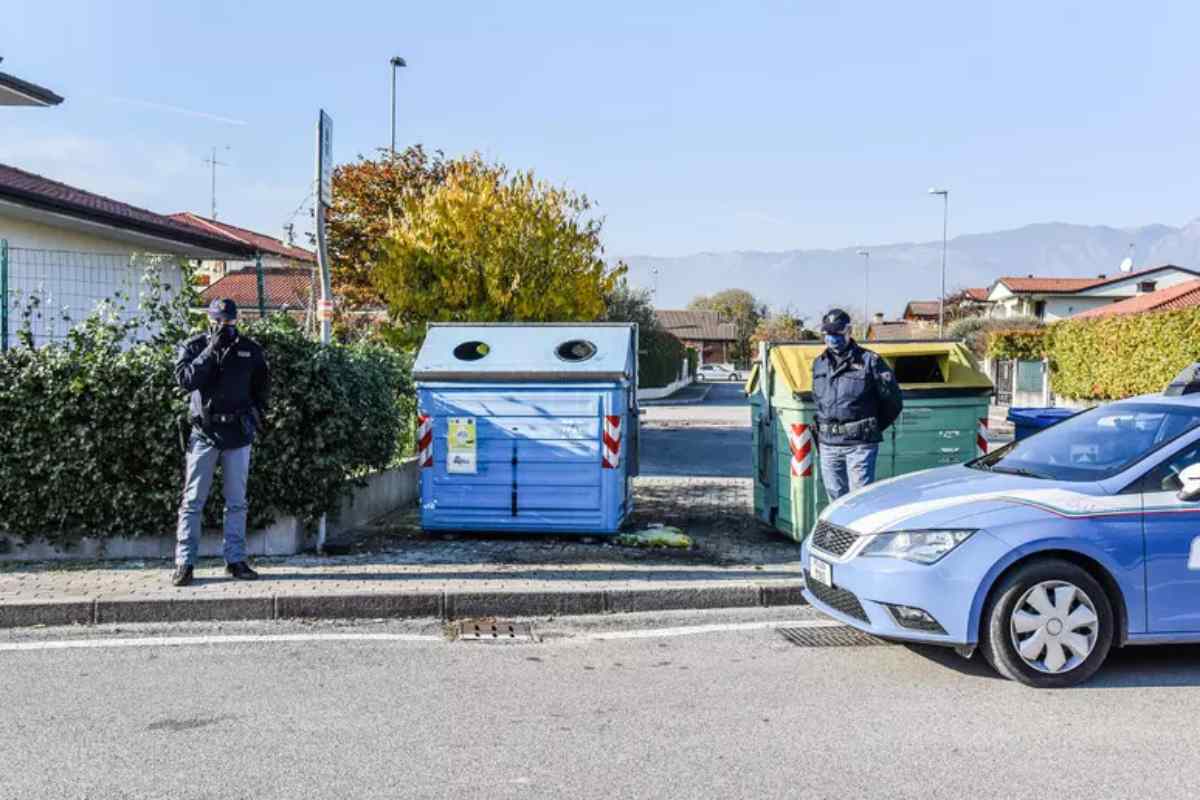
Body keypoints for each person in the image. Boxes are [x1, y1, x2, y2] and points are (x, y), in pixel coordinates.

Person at [171, 298, 271, 587]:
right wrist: (211, 349)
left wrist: (255, 414)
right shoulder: (194, 346)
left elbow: (262, 386)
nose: (223, 326)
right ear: (209, 319)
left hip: (238, 435)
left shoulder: (249, 349)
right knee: (192, 502)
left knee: (237, 502)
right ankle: (185, 563)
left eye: (228, 321)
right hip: (205, 434)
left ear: (236, 319)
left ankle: (235, 561)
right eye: (218, 321)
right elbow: (186, 380)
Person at [811, 308, 903, 501]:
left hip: (860, 445)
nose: (832, 337)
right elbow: (819, 401)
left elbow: (893, 402)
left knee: (859, 500)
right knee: (835, 500)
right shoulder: (819, 364)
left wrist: (869, 427)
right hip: (828, 444)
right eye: (828, 333)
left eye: (837, 332)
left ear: (848, 331)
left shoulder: (870, 361)